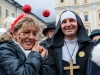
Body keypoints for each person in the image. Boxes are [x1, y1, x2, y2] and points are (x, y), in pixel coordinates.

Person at [0, 7, 50, 75]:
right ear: (14, 34)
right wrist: (35, 53)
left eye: (34, 34)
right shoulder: (4, 50)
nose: (31, 37)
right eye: (26, 32)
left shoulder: (34, 52)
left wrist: (42, 57)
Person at [48, 10, 94, 75]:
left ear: (78, 23)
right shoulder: (52, 49)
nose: (68, 24)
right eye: (64, 22)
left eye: (72, 20)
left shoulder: (90, 46)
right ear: (60, 26)